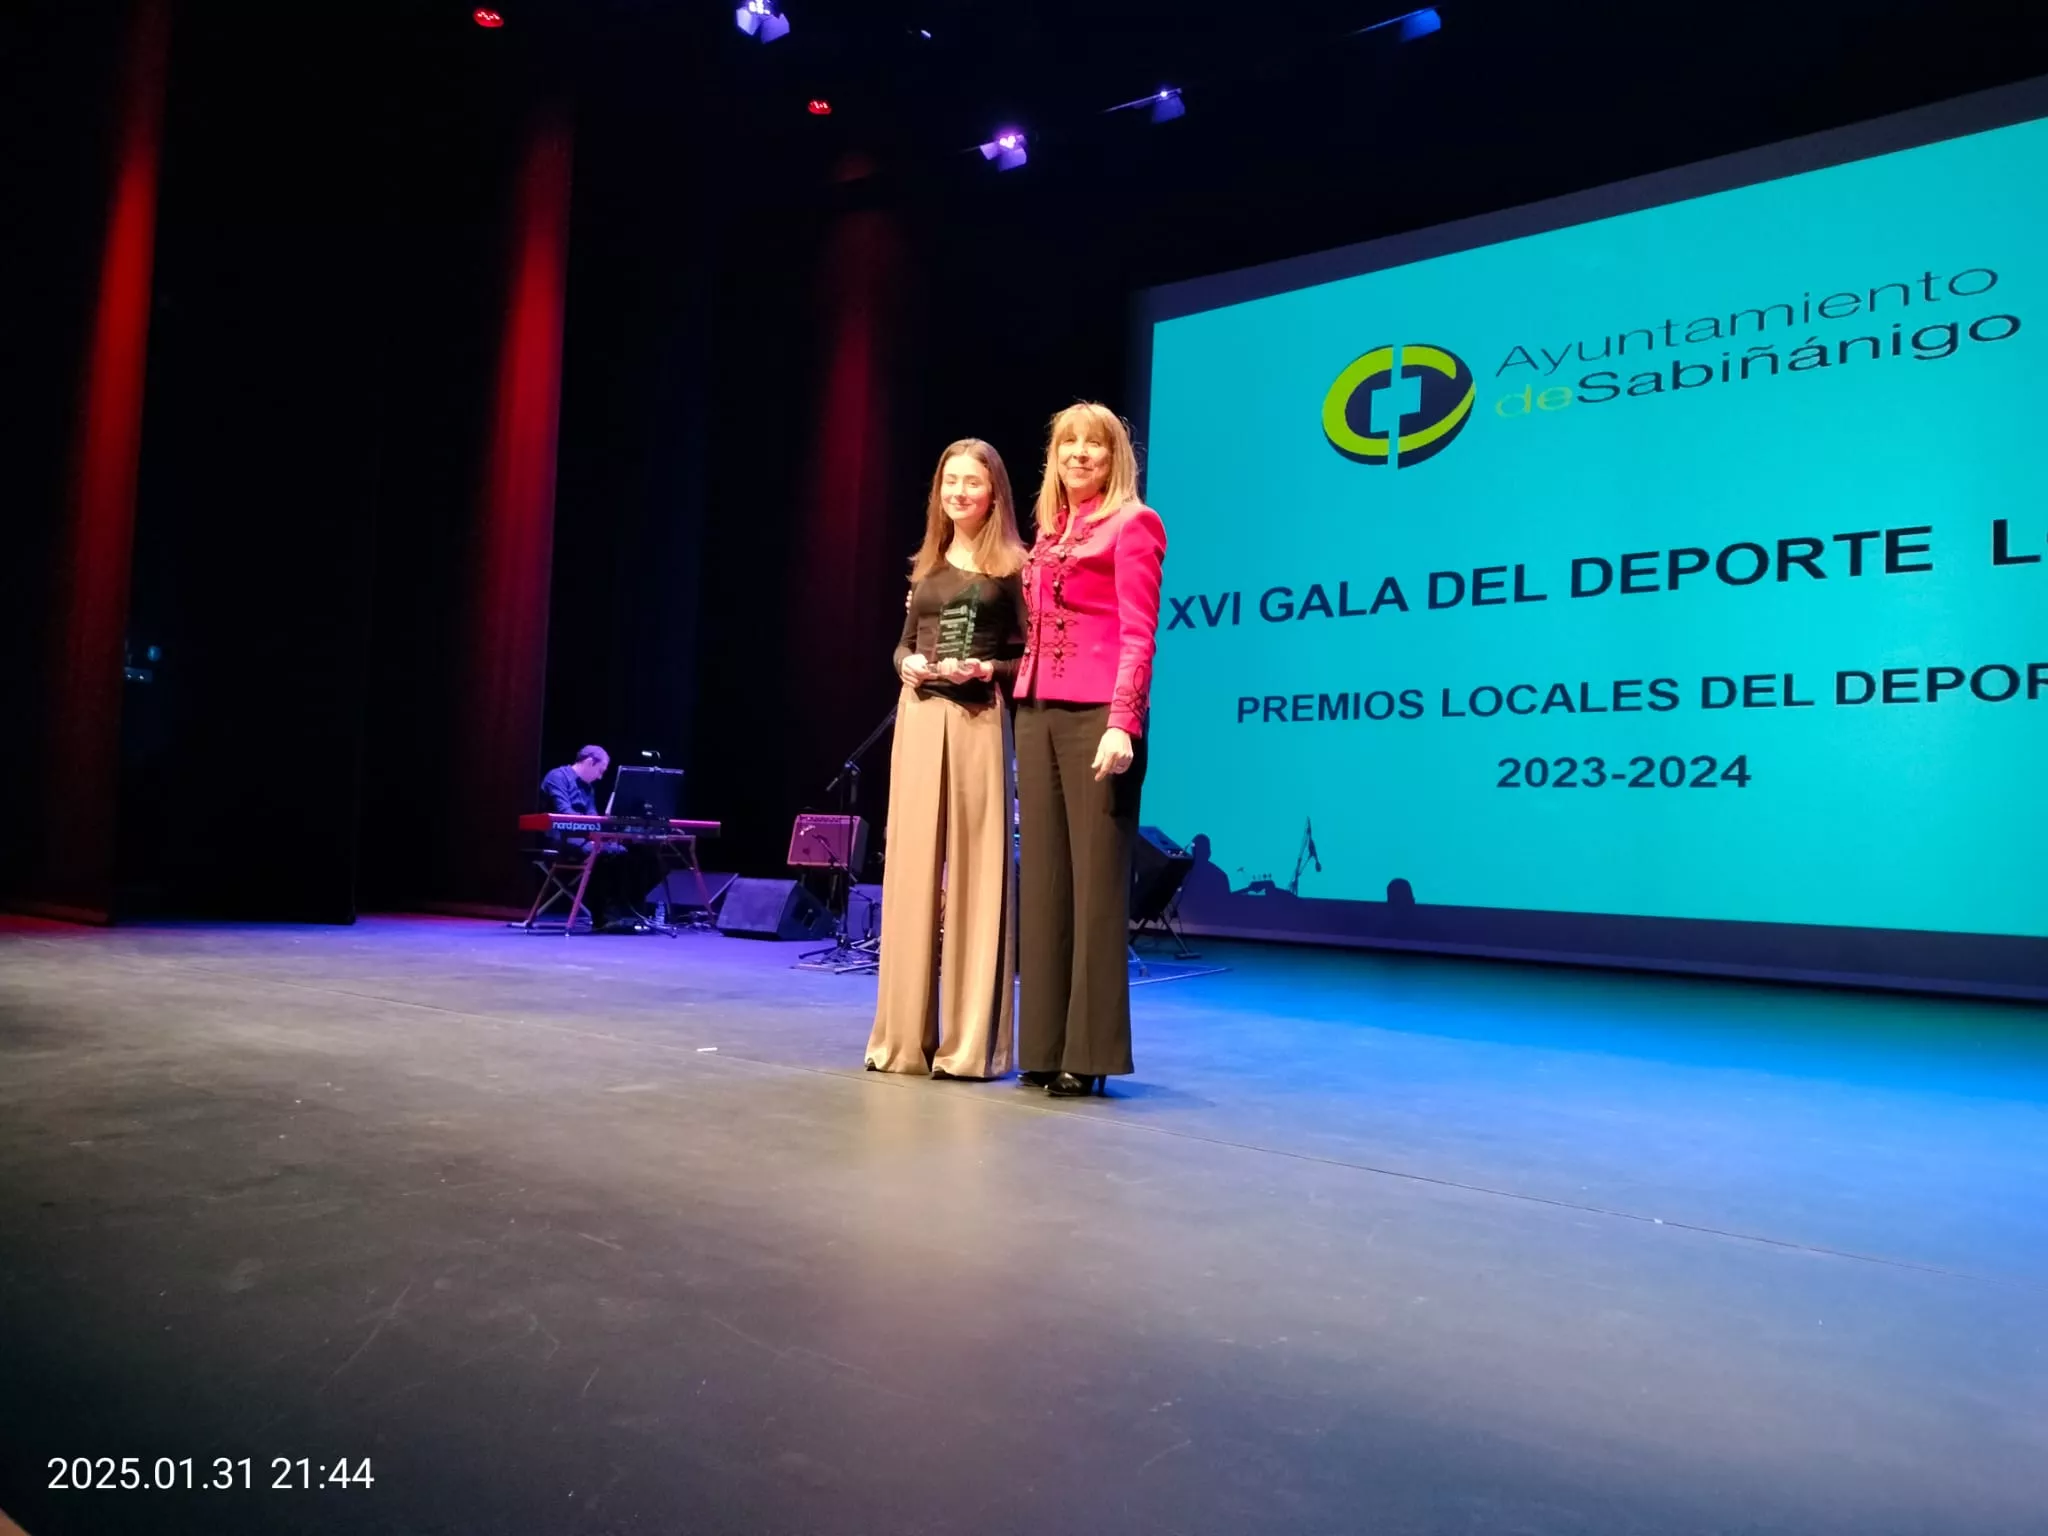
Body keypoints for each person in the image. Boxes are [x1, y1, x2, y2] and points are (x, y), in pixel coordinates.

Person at [1012, 402, 1166, 1098]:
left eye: (1094, 445)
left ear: (1115, 457)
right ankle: (1042, 1046)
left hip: (1098, 718)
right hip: (1037, 709)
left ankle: (1090, 1054)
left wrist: (1122, 723)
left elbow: (1139, 633)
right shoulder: (1049, 533)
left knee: (1096, 891)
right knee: (1044, 884)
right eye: (1067, 442)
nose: (1079, 453)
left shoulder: (1134, 524)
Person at [865, 439, 1028, 1080]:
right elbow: (902, 646)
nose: (959, 492)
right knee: (909, 871)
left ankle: (969, 1045)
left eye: (972, 482)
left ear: (994, 493)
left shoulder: (1016, 566)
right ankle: (902, 1040)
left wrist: (989, 667)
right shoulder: (926, 564)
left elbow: (1031, 660)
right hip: (920, 716)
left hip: (979, 718)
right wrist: (908, 665)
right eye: (949, 482)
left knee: (976, 875)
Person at [537, 745, 652, 931]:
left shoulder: (588, 788)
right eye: (600, 771)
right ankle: (604, 918)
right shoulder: (557, 777)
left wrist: (606, 830)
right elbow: (565, 813)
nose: (600, 777)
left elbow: (593, 817)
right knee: (605, 854)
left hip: (583, 838)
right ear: (590, 762)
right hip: (561, 838)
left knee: (633, 853)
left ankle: (626, 913)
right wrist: (594, 834)